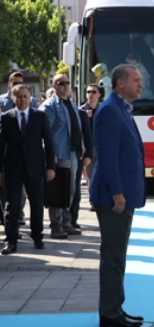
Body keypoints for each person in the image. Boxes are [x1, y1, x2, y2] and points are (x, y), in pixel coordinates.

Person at [90, 64, 146, 327]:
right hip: (114, 196)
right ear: (120, 83)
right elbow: (108, 157)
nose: (140, 84)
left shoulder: (120, 107)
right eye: (136, 80)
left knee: (117, 256)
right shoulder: (111, 110)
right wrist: (117, 193)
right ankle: (110, 314)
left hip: (121, 194)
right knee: (113, 256)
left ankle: (115, 308)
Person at [0, 84, 56, 254]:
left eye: (25, 96)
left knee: (37, 204)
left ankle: (37, 237)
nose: (23, 99)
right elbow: (1, 145)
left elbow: (49, 142)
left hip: (35, 167)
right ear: (14, 98)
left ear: (30, 98)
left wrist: (50, 167)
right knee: (12, 205)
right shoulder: (6, 117)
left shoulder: (39, 116)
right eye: (19, 96)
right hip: (13, 169)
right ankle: (11, 241)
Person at [40, 74, 83, 239]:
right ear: (54, 86)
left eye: (67, 83)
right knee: (57, 190)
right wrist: (51, 155)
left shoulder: (70, 103)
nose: (65, 86)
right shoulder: (50, 105)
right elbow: (46, 132)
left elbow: (77, 128)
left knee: (70, 190)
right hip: (59, 154)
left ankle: (66, 223)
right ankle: (56, 226)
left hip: (72, 152)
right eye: (61, 83)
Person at [0, 72, 38, 223]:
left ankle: (19, 215)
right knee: (6, 191)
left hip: (27, 154)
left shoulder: (32, 101)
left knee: (23, 192)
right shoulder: (2, 101)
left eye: (21, 82)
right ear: (9, 84)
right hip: (7, 150)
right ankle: (8, 219)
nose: (18, 85)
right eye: (15, 82)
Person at [69, 107, 94, 229]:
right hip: (61, 156)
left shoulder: (80, 113)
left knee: (75, 189)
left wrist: (88, 154)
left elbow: (87, 135)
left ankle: (73, 219)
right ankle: (61, 221)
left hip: (77, 156)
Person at [81, 85, 101, 199]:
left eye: (93, 91)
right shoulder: (81, 110)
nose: (90, 94)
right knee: (91, 177)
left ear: (99, 94)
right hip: (88, 149)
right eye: (88, 91)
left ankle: (102, 200)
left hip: (102, 147)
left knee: (103, 176)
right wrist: (84, 117)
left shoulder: (104, 109)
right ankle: (94, 201)